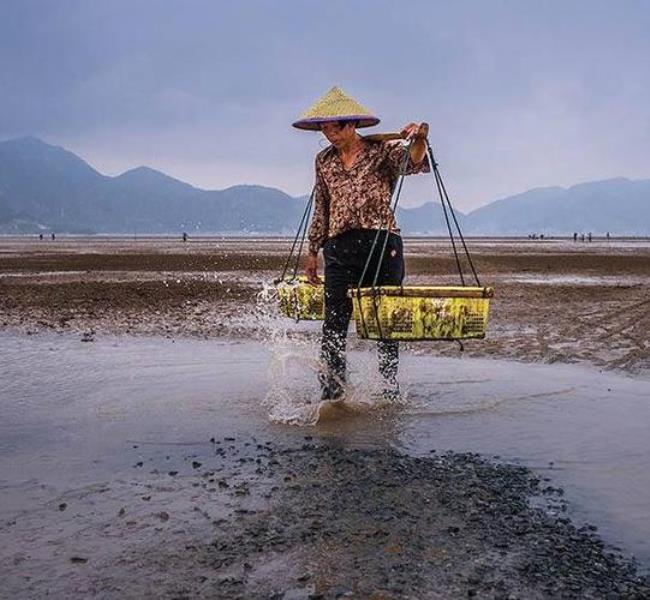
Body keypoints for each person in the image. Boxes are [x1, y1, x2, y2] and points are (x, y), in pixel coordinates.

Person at [292, 86, 430, 401]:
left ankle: (387, 389)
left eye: (334, 127)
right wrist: (312, 251)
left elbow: (414, 160)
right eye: (323, 128)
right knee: (334, 322)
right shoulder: (324, 160)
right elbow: (322, 206)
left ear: (352, 125)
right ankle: (332, 393)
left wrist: (419, 137)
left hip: (382, 244)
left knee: (386, 324)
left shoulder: (381, 151)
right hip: (339, 246)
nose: (328, 133)